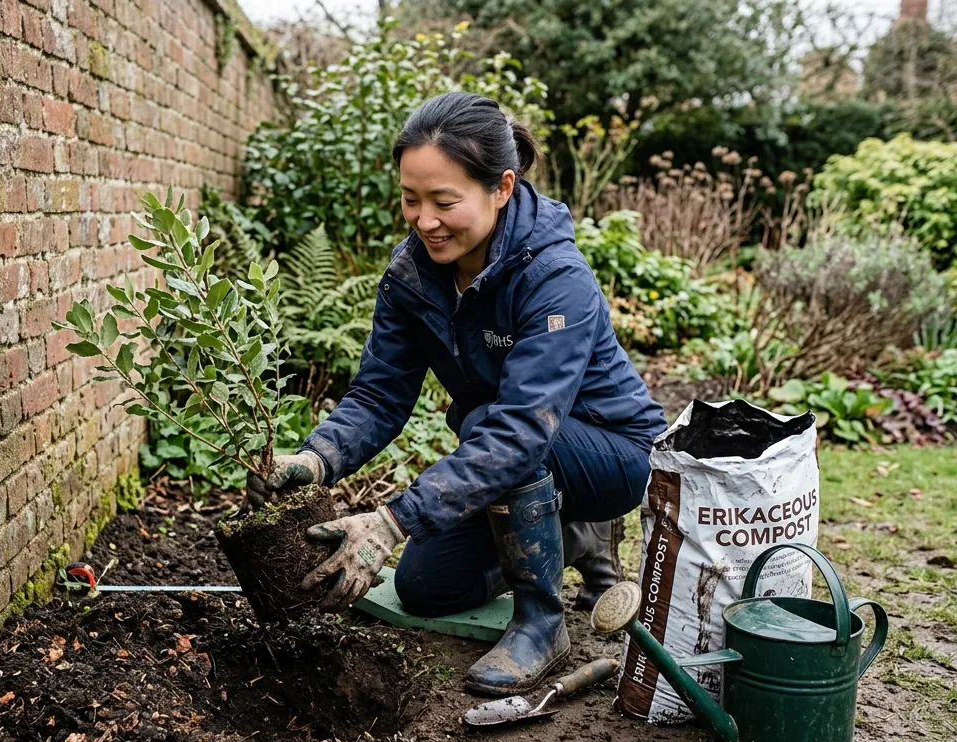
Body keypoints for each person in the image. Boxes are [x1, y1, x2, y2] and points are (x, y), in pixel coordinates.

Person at [246, 91, 667, 696]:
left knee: (496, 430)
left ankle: (542, 622)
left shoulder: (555, 277)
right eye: (410, 200)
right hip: (510, 450)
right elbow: (379, 395)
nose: (424, 221)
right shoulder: (412, 276)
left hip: (609, 453)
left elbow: (522, 429)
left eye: (445, 202)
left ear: (501, 186)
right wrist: (315, 460)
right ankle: (575, 537)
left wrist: (391, 521)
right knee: (425, 588)